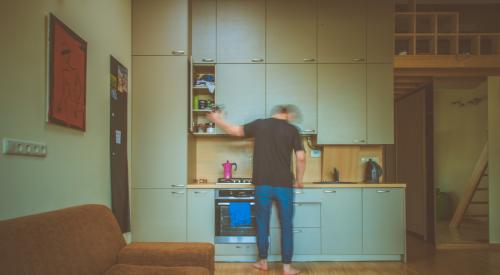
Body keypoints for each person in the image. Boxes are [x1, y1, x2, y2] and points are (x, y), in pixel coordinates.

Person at [207, 105, 306, 275]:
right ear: (287, 114)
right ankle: (287, 268)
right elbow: (301, 158)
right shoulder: (292, 130)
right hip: (284, 185)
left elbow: (235, 131)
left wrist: (217, 120)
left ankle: (263, 262)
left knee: (262, 223)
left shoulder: (260, 124)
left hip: (262, 184)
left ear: (274, 113)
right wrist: (299, 180)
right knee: (287, 226)